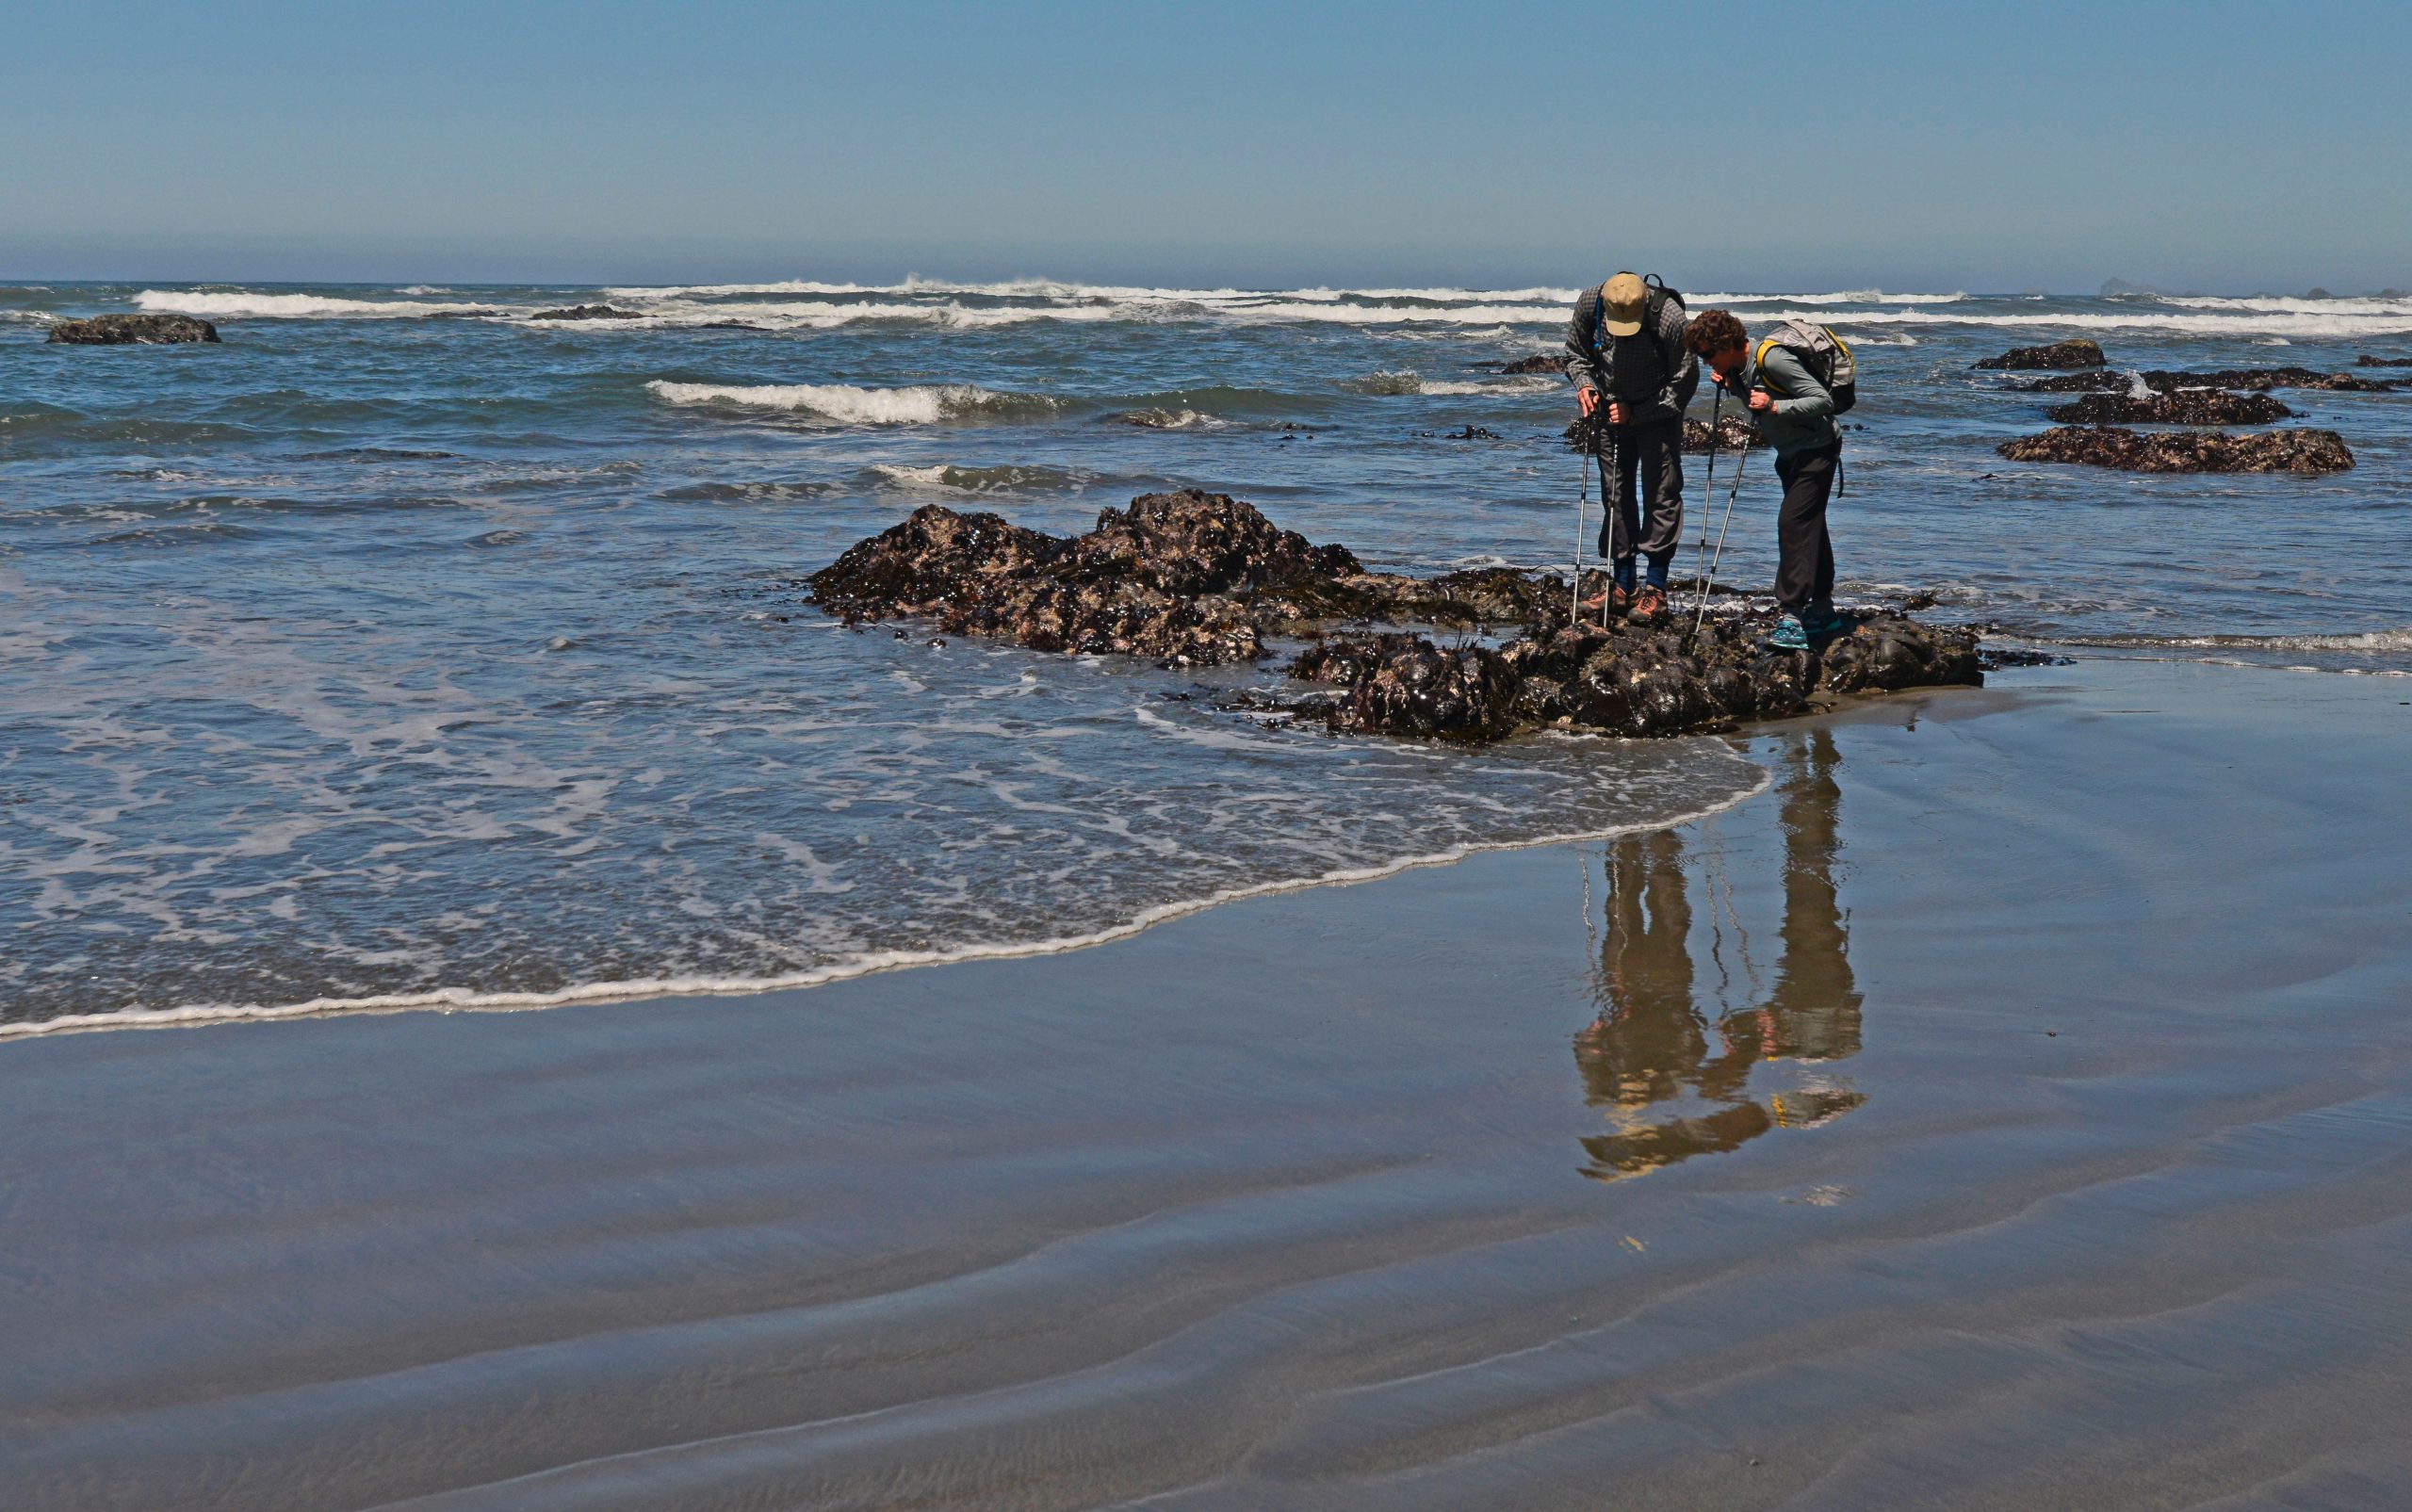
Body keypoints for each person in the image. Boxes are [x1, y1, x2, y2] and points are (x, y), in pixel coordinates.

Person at [1684, 308, 1845, 651]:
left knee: (1793, 524)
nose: (1705, 361)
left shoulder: (1772, 360)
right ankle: (1824, 611)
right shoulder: (1739, 368)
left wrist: (1774, 407)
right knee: (1810, 526)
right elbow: (1755, 399)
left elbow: (1822, 400)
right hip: (1791, 455)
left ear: (1726, 344)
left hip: (1817, 451)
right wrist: (1731, 384)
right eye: (1701, 357)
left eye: (1708, 355)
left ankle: (1791, 617)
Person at [1563, 271, 1698, 623]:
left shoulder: (1668, 316)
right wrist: (1584, 385)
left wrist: (1638, 412)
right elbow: (1575, 354)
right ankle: (1623, 586)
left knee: (1662, 495)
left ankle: (1656, 590)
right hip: (1609, 412)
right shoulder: (1591, 303)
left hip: (1658, 414)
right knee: (1615, 495)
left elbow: (1684, 383)